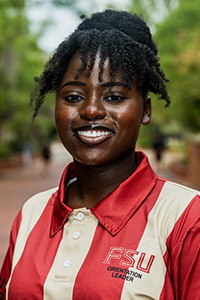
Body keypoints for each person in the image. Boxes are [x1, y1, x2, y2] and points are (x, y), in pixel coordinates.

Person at [0, 9, 200, 300]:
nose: (91, 110)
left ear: (145, 110)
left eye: (114, 97)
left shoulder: (187, 218)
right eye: (73, 97)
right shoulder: (32, 212)